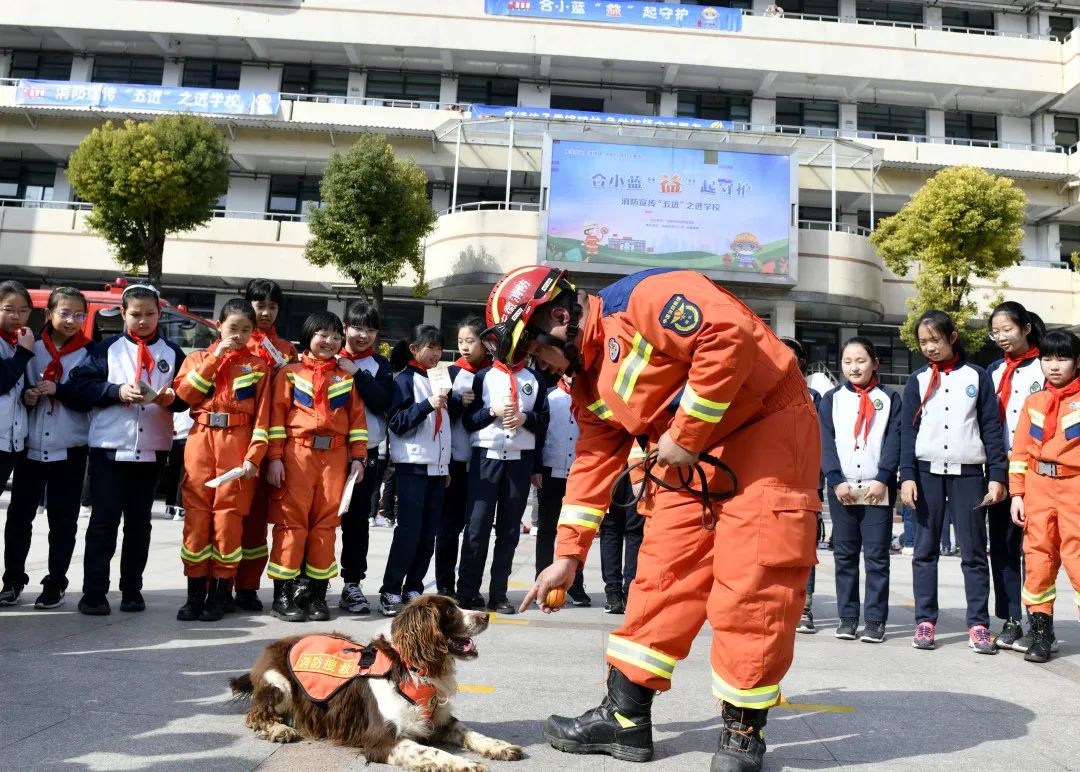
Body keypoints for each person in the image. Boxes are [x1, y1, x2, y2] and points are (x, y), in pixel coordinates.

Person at [490, 266, 819, 771]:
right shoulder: (585, 379)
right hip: (687, 455)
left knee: (752, 583)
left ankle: (742, 731)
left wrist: (686, 435)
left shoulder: (647, 296)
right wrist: (568, 555)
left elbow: (726, 335)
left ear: (559, 317)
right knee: (662, 577)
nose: (543, 365)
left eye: (537, 351)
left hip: (766, 432)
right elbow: (594, 463)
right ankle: (624, 718)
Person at [73, 284, 187, 615]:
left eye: (150, 314)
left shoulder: (172, 353)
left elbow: (185, 397)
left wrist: (168, 398)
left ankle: (132, 589)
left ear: (159, 315)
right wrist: (116, 391)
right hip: (110, 447)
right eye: (136, 314)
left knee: (139, 524)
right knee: (104, 521)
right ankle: (94, 591)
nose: (143, 320)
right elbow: (80, 387)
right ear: (123, 313)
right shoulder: (105, 349)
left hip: (152, 448)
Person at [900, 310, 1007, 653]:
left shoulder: (977, 376)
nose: (929, 347)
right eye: (923, 342)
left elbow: (991, 427)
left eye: (935, 340)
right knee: (925, 550)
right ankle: (925, 621)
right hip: (927, 473)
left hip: (969, 474)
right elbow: (907, 432)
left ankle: (978, 624)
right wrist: (907, 476)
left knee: (974, 552)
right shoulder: (916, 380)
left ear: (953, 337)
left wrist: (998, 477)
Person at [173, 299, 271, 622]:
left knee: (228, 523)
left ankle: (218, 596)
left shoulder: (258, 366)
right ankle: (193, 596)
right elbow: (186, 395)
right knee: (197, 520)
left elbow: (262, 417)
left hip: (237, 444)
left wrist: (254, 457)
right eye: (232, 328)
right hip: (201, 441)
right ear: (218, 326)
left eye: (246, 330)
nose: (239, 335)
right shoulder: (197, 358)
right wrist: (216, 358)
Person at [265, 311, 367, 622]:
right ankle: (283, 596)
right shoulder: (289, 373)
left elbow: (357, 423)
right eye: (323, 335)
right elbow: (277, 419)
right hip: (298, 455)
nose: (330, 341)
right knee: (291, 524)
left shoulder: (347, 377)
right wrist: (275, 458)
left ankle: (316, 595)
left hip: (335, 459)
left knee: (326, 526)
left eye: (336, 337)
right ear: (308, 335)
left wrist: (359, 459)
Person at [0, 287, 92, 609]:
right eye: (64, 313)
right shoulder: (29, 347)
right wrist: (29, 397)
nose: (71, 320)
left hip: (70, 447)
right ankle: (12, 580)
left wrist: (60, 390)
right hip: (30, 447)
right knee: (19, 517)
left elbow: (91, 397)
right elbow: (17, 390)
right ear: (49, 312)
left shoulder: (91, 353)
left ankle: (56, 582)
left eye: (78, 315)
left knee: (63, 520)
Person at [458, 333, 550, 615]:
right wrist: (491, 411)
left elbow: (545, 421)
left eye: (517, 346)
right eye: (503, 346)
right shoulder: (483, 377)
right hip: (486, 457)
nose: (509, 352)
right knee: (476, 528)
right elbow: (469, 421)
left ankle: (499, 593)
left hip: (520, 460)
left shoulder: (535, 379)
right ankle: (467, 591)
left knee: (509, 531)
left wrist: (526, 419)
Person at [819, 337, 901, 643]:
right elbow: (825, 441)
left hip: (877, 487)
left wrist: (883, 477)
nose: (854, 367)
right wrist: (835, 479)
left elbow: (895, 439)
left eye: (861, 361)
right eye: (848, 362)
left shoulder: (890, 397)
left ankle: (876, 619)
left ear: (875, 362)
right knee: (845, 555)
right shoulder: (832, 399)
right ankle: (848, 617)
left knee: (878, 556)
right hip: (842, 488)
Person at [1008, 330, 1080, 663]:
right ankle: (1040, 632)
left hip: (1075, 486)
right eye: (1047, 358)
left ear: (1076, 362)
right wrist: (1017, 493)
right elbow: (1020, 450)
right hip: (1038, 487)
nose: (1054, 366)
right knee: (1037, 559)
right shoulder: (1034, 401)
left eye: (1062, 358)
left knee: (1078, 561)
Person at [381, 324, 458, 616]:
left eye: (439, 349)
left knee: (428, 534)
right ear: (414, 348)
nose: (436, 354)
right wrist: (427, 404)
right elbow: (397, 424)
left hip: (437, 469)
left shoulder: (438, 378)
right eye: (431, 347)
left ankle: (414, 586)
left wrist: (445, 463)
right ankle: (390, 589)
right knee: (409, 532)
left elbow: (444, 428)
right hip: (412, 465)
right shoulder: (404, 380)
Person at [234, 278, 298, 611]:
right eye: (260, 305)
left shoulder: (287, 349)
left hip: (270, 441)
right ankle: (220, 584)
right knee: (232, 517)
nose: (266, 312)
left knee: (258, 520)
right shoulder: (236, 342)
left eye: (272, 306)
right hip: (236, 441)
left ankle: (247, 586)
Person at [985, 301, 1045, 651]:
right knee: (1005, 548)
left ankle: (1040, 619)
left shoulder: (1046, 366)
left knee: (1038, 549)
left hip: (1038, 471)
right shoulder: (992, 371)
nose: (1002, 336)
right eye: (997, 331)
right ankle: (1010, 619)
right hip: (1002, 471)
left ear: (1025, 328)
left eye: (1008, 329)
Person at [335, 302, 393, 615]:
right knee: (318, 520)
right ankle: (308, 581)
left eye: (370, 329)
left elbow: (382, 400)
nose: (363, 334)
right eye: (357, 327)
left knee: (357, 520)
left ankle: (352, 584)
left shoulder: (379, 365)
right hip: (326, 450)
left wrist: (358, 374)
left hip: (366, 453)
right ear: (345, 327)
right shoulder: (328, 356)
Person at [434, 316, 488, 598]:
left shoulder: (495, 373)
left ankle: (469, 587)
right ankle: (444, 585)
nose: (464, 347)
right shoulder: (446, 373)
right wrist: (456, 403)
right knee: (448, 527)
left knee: (476, 530)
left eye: (471, 341)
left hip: (485, 461)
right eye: (460, 342)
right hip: (453, 461)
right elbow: (437, 419)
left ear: (485, 342)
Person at [780, 337, 824, 635]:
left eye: (794, 361)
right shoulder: (755, 393)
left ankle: (803, 608)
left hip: (805, 484)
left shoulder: (816, 397)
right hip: (768, 482)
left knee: (803, 550)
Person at [535, 373, 589, 606]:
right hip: (550, 470)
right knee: (547, 529)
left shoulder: (589, 397)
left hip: (579, 472)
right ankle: (542, 579)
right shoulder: (549, 396)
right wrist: (535, 467)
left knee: (577, 531)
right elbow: (537, 433)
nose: (571, 376)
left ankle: (576, 585)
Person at [0, 280, 34, 515]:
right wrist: (23, 353)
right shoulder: (23, 347)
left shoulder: (20, 343)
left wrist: (28, 396)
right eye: (9, 309)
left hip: (11, 442)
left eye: (23, 311)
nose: (17, 316)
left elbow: (14, 389)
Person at [598, 470, 644, 614]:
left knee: (611, 531)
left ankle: (614, 596)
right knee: (635, 532)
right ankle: (628, 593)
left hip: (611, 469)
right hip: (639, 469)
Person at [163, 410, 192, 521]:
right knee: (183, 475)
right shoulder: (192, 399)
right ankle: (180, 509)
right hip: (188, 438)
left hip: (174, 437)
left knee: (173, 475)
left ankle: (169, 508)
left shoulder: (174, 396)